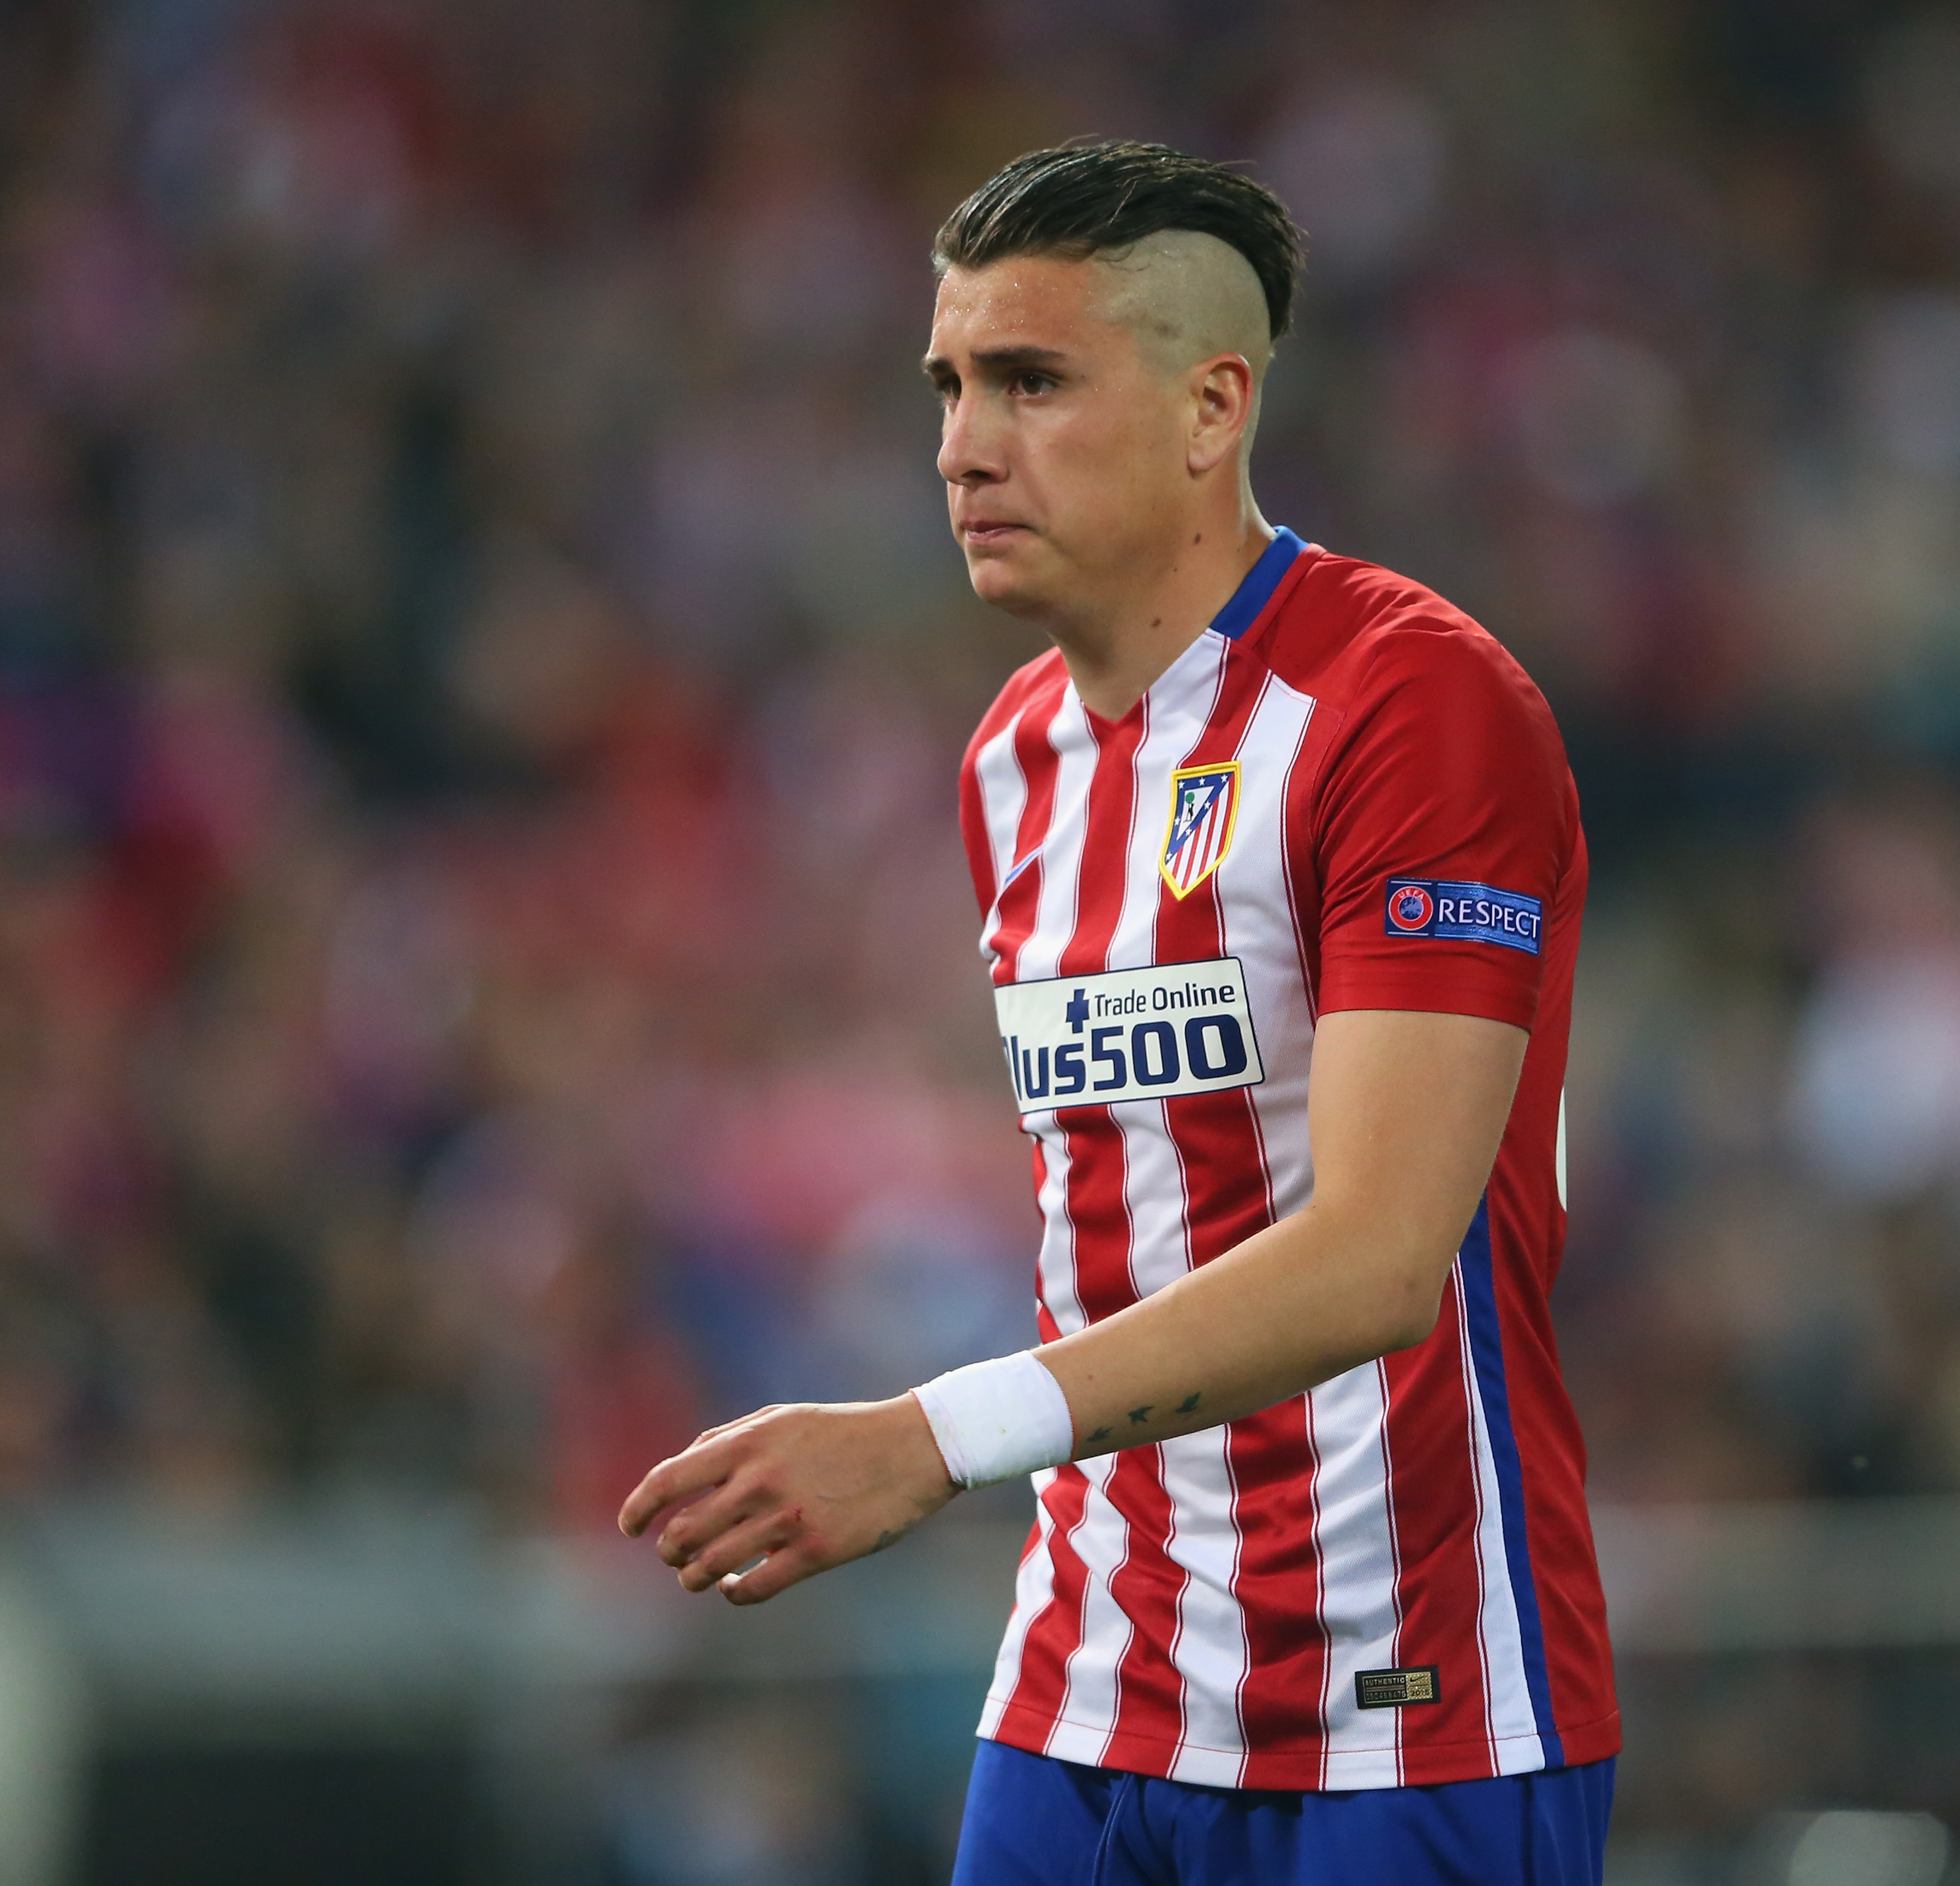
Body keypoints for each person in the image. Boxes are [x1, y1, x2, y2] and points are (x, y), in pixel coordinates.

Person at [621, 140, 1617, 1884]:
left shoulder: (1414, 706)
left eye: (1031, 382)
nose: (961, 446)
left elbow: (1383, 1254)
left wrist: (931, 1439)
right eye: (947, 387)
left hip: (1401, 1705)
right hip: (1092, 1680)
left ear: (1212, 407)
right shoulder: (1012, 759)